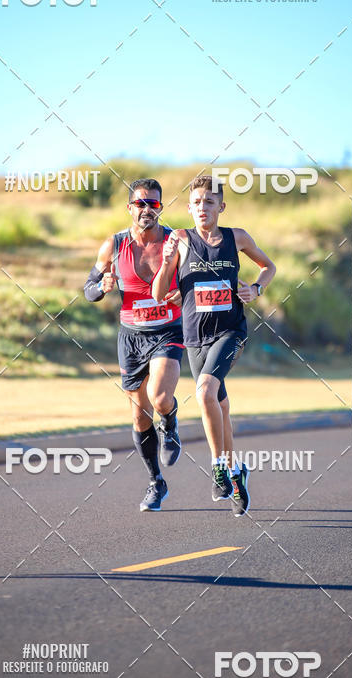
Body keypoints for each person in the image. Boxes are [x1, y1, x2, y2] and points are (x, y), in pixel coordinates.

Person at [152, 174, 276, 516]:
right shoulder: (179, 240)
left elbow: (268, 266)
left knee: (205, 392)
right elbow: (159, 294)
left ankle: (218, 466)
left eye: (209, 202)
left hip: (231, 331)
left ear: (221, 206)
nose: (202, 208)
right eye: (196, 203)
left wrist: (256, 289)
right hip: (195, 337)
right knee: (219, 407)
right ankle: (237, 475)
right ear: (189, 208)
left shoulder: (236, 238)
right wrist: (166, 263)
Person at [83, 178, 184, 512]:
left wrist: (185, 291)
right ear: (130, 208)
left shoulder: (177, 241)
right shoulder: (113, 245)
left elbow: (198, 279)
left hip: (167, 331)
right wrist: (103, 287)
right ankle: (156, 482)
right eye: (140, 204)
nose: (146, 210)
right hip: (130, 337)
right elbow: (88, 289)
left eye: (153, 204)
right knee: (140, 415)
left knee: (159, 397)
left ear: (160, 208)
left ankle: (169, 423)